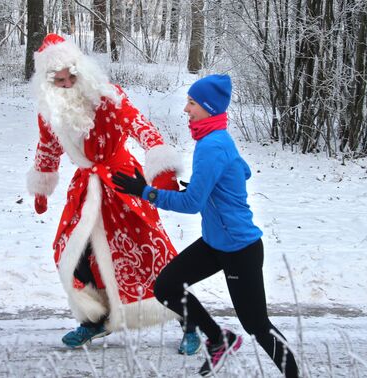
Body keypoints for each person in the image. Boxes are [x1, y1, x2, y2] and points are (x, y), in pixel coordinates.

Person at [112, 74, 299, 377]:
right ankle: (219, 338)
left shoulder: (212, 145)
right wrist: (203, 186)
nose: (186, 109)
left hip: (239, 248)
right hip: (215, 242)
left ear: (209, 108)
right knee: (167, 287)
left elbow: (192, 205)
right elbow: (239, 173)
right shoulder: (215, 139)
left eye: (192, 103)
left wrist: (145, 192)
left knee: (257, 325)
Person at [26, 33, 201, 354]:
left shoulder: (107, 95)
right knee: (76, 253)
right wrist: (42, 184)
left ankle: (189, 320)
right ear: (48, 82)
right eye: (59, 80)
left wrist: (160, 166)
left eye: (70, 76)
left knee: (150, 251)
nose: (66, 84)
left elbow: (140, 126)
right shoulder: (49, 111)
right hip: (86, 188)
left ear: (81, 70)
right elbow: (48, 147)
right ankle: (97, 318)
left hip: (122, 183)